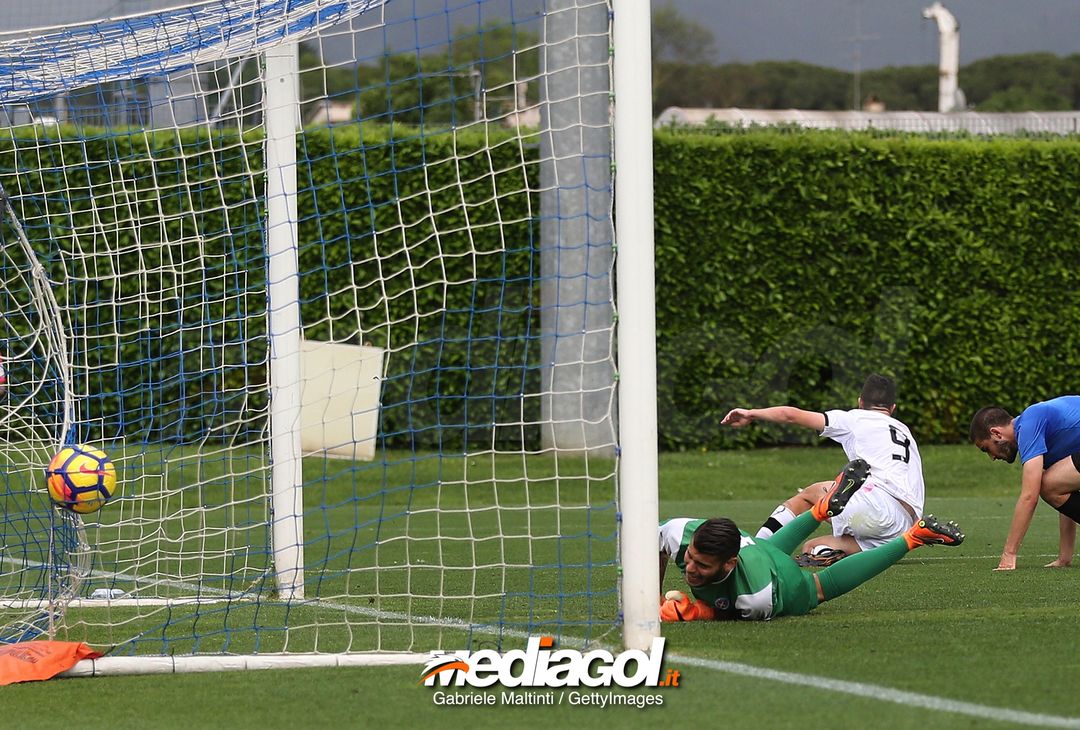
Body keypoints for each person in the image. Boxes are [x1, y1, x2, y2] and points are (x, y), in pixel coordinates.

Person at [657, 459, 964, 621]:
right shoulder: (678, 531)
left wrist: (696, 611)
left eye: (702, 565)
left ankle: (913, 536)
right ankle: (820, 509)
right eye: (691, 557)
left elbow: (726, 613)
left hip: (776, 581)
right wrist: (650, 597)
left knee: (819, 587)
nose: (691, 568)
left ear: (728, 562)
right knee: (764, 549)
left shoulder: (756, 596)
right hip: (756, 549)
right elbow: (651, 543)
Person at [720, 374, 924, 566]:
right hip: (904, 527)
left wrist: (751, 413)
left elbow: (790, 415)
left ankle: (755, 549)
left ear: (860, 402)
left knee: (809, 495)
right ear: (893, 407)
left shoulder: (855, 418)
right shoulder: (905, 431)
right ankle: (848, 552)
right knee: (812, 548)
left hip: (877, 508)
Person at [969, 397, 1080, 570]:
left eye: (986, 448)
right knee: (1054, 483)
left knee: (1048, 485)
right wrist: (1064, 558)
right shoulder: (1036, 429)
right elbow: (1066, 492)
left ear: (996, 433)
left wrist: (1009, 555)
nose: (992, 457)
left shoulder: (1028, 425)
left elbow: (1029, 497)